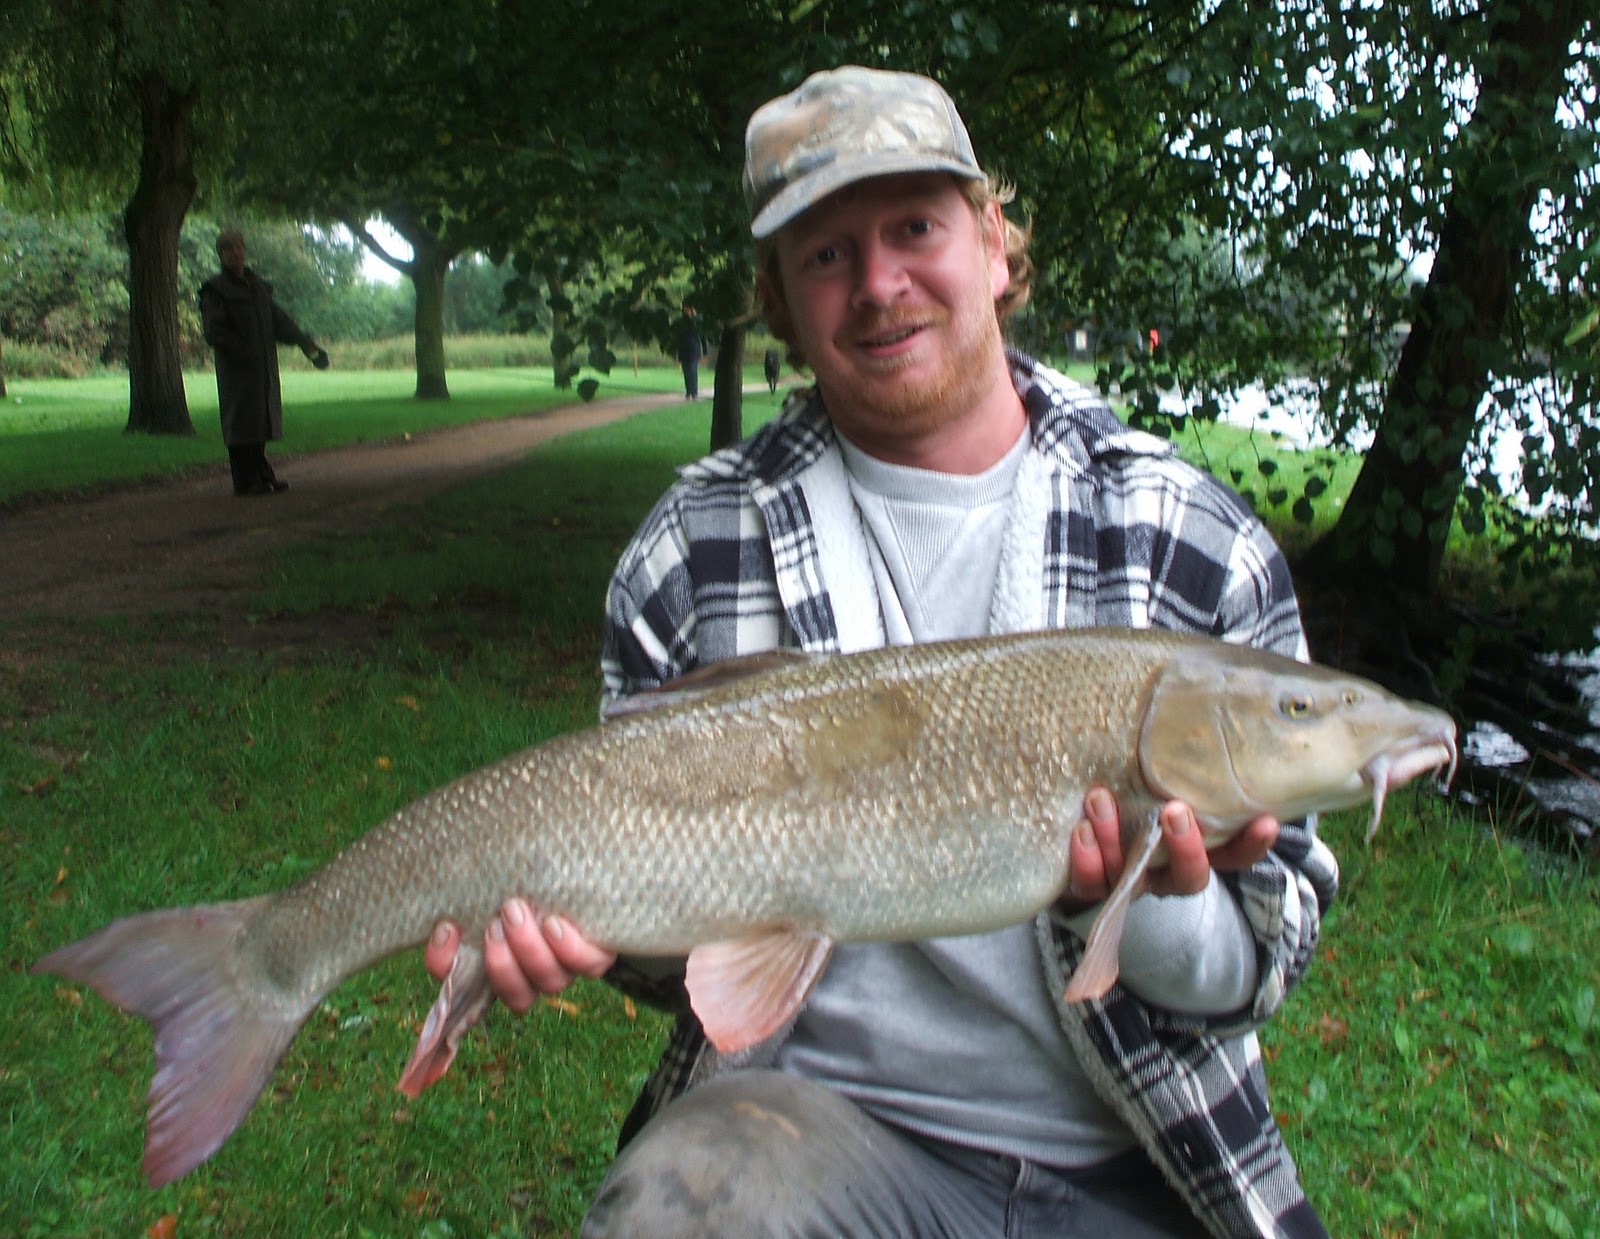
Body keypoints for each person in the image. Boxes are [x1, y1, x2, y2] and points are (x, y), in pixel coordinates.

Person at [426, 65, 1337, 1238]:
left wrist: (1154, 899)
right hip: (814, 1142)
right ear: (778, 299)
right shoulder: (689, 551)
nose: (877, 286)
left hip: (1142, 1160)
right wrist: (585, 934)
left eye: (914, 228)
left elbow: (1259, 965)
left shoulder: (1192, 539)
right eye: (825, 254)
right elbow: (689, 967)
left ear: (993, 242)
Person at [199, 229, 329, 497]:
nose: (236, 253)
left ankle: (262, 475)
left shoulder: (257, 288)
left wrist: (307, 345)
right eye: (229, 249)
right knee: (240, 423)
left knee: (260, 421)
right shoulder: (215, 290)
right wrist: (243, 350)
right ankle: (245, 481)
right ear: (221, 255)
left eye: (239, 247)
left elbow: (280, 322)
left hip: (262, 368)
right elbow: (214, 332)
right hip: (236, 371)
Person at [675, 306, 705, 399]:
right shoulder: (681, 322)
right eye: (685, 309)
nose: (687, 311)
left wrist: (705, 350)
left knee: (692, 371)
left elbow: (702, 336)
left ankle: (694, 392)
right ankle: (688, 391)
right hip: (683, 350)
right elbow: (676, 337)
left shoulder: (697, 322)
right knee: (686, 372)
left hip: (693, 350)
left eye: (688, 309)